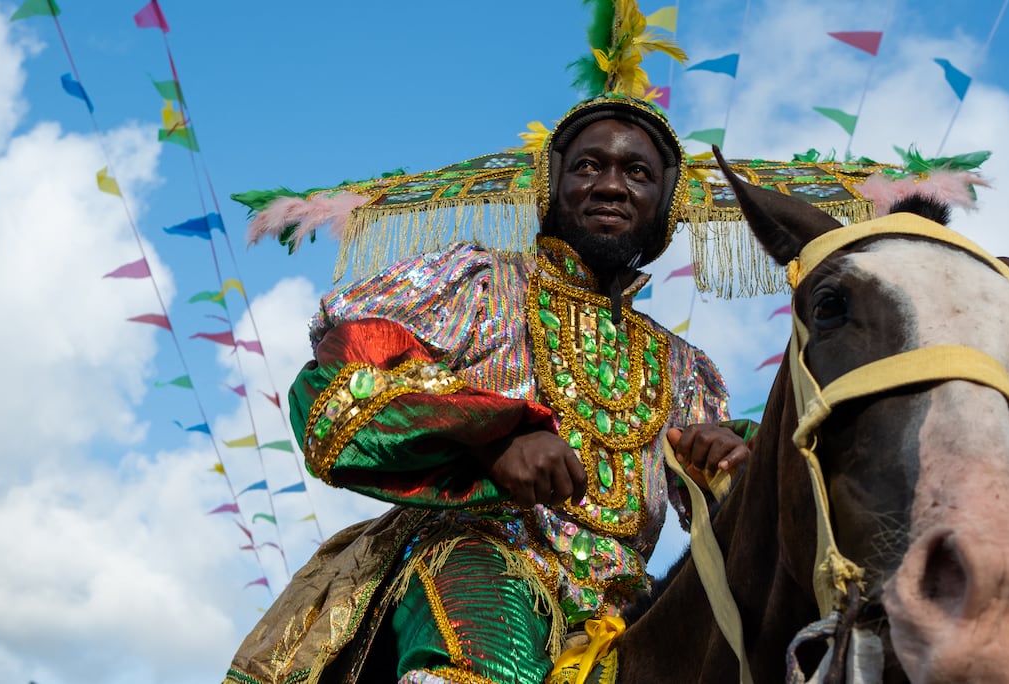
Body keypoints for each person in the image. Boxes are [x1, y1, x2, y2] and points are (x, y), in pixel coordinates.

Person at [223, 93, 754, 684]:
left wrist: (729, 464)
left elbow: (744, 521)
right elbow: (336, 384)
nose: (610, 185)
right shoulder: (480, 287)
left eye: (637, 172)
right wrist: (493, 438)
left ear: (667, 201)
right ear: (551, 186)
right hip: (479, 555)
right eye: (587, 166)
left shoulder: (685, 368)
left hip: (620, 611)